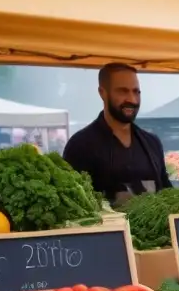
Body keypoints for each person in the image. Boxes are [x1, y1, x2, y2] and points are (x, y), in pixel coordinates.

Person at [63, 63, 171, 207]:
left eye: (136, 92)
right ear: (102, 93)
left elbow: (167, 193)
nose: (132, 99)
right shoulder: (80, 146)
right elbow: (71, 204)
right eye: (123, 91)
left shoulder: (152, 143)